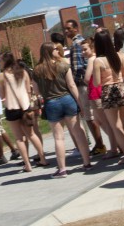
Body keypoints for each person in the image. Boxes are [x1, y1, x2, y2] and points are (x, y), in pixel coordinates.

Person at [32, 42, 92, 178]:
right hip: (67, 99)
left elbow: (36, 91)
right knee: (78, 131)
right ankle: (87, 163)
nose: (57, 51)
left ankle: (62, 169)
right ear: (49, 51)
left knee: (58, 137)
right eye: (54, 49)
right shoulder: (63, 66)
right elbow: (71, 85)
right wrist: (80, 104)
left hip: (51, 102)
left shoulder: (36, 70)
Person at [93, 29, 124, 164]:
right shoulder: (118, 56)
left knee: (115, 126)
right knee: (123, 124)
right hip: (121, 88)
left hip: (108, 91)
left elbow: (97, 82)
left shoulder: (98, 61)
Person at [0, 52, 48, 172]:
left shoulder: (2, 76)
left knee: (19, 138)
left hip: (12, 108)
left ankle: (27, 164)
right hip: (25, 107)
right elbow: (28, 90)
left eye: (0, 61)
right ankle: (43, 159)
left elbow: (1, 95)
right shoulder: (23, 72)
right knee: (32, 134)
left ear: (5, 62)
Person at [65, 19, 107, 156]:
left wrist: (74, 84)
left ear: (76, 29)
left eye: (69, 28)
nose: (66, 31)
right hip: (86, 83)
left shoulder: (77, 43)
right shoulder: (79, 42)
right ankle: (100, 144)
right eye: (65, 29)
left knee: (89, 116)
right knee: (92, 115)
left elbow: (78, 68)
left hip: (83, 84)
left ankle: (100, 145)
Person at [82, 38, 119, 157]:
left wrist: (85, 80)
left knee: (104, 122)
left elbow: (87, 78)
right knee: (100, 121)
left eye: (85, 49)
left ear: (92, 48)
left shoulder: (92, 59)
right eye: (82, 50)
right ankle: (117, 144)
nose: (83, 52)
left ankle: (115, 147)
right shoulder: (97, 58)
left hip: (96, 93)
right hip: (97, 92)